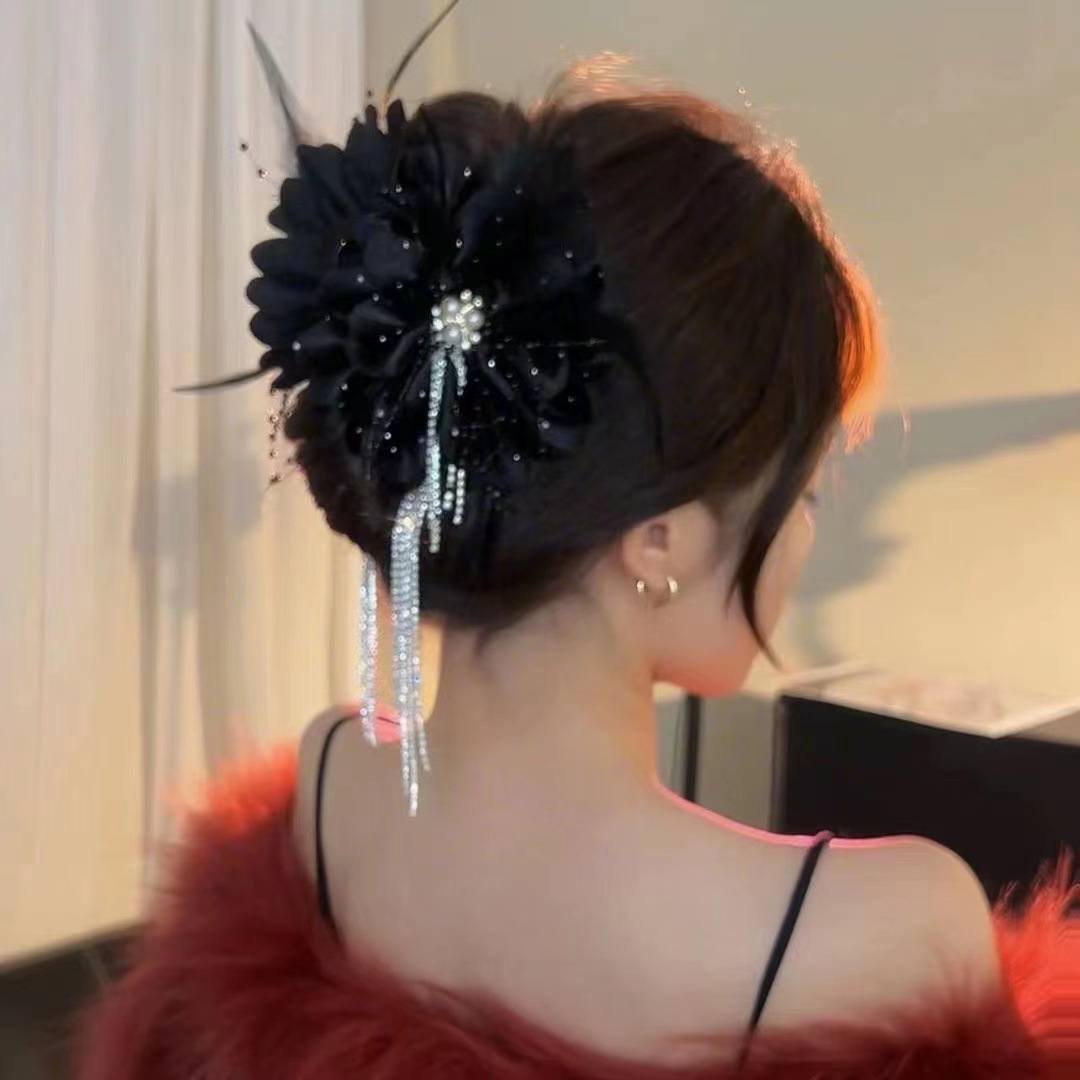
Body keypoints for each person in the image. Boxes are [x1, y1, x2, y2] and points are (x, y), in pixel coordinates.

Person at [78, 46, 1078, 1080]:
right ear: (660, 540)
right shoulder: (885, 932)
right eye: (807, 490)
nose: (806, 535)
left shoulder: (332, 790)